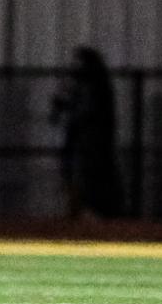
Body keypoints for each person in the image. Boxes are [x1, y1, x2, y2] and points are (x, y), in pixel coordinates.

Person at [50, 46, 122, 219]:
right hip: (82, 143)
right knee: (75, 177)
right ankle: (77, 211)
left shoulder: (94, 86)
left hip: (89, 144)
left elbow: (86, 113)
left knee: (85, 179)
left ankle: (88, 212)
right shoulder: (82, 86)